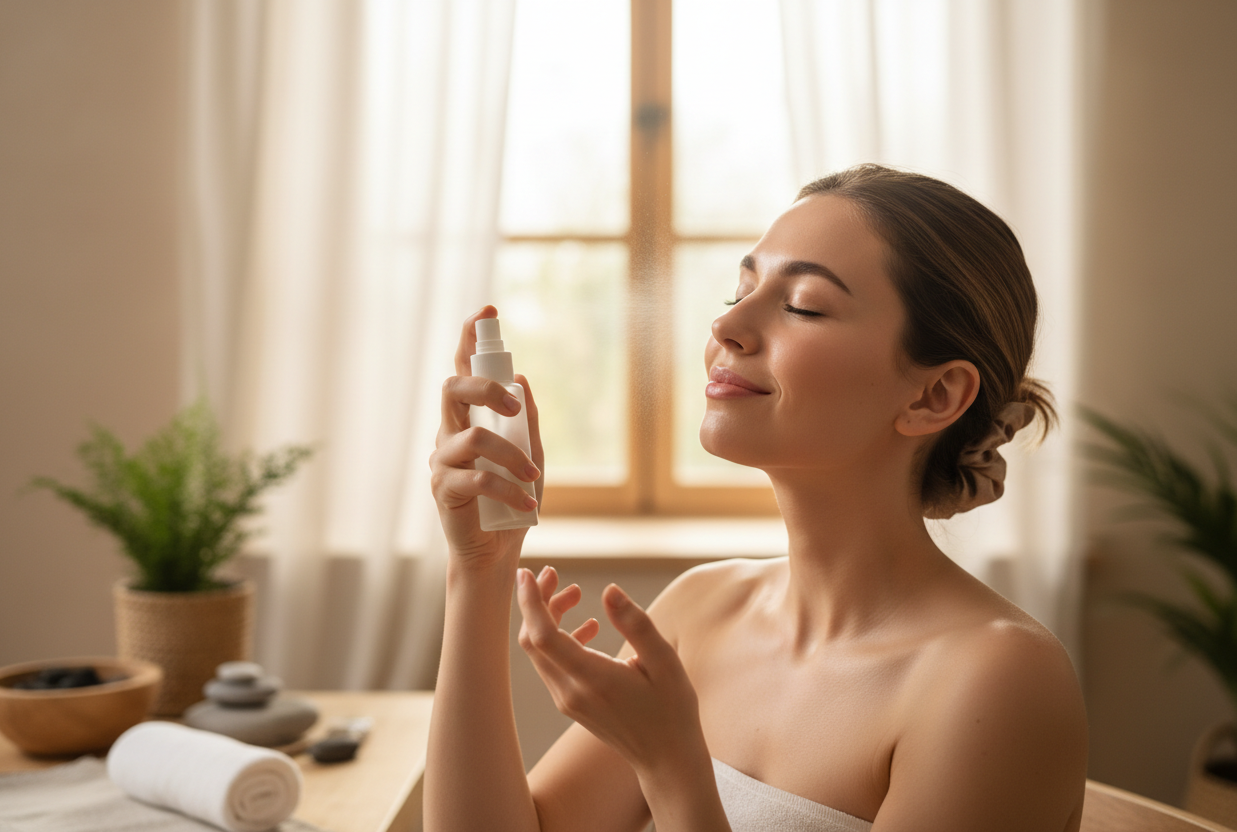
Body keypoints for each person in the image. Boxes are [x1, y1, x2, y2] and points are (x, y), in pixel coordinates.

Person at [426, 164, 1088, 832]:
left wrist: (670, 765)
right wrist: (479, 566)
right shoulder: (703, 610)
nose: (728, 325)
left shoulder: (997, 679)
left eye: (803, 305)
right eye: (739, 291)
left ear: (934, 395)